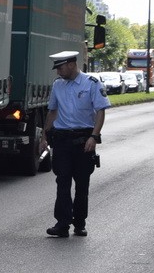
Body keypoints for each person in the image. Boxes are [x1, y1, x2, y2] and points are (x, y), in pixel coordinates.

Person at [39, 51, 110, 238]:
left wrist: (94, 137)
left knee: (81, 184)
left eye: (60, 67)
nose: (58, 72)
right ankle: (62, 224)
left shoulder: (91, 83)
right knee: (62, 181)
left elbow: (100, 111)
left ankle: (79, 223)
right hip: (62, 140)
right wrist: (44, 136)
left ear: (71, 64)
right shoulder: (58, 85)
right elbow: (52, 112)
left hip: (83, 141)